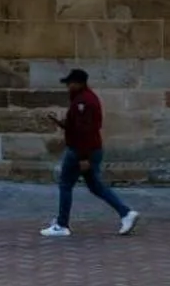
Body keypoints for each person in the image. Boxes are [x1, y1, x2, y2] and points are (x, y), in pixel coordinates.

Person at [40, 68, 139, 238]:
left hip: (80, 151)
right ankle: (125, 213)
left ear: (78, 83)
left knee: (65, 185)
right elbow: (80, 127)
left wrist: (83, 157)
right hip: (89, 149)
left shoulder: (83, 102)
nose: (68, 87)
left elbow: (85, 131)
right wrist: (63, 124)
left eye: (70, 83)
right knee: (95, 186)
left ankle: (62, 225)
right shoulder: (84, 99)